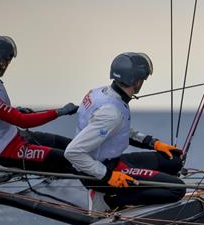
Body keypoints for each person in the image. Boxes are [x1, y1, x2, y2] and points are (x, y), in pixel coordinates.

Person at [64, 52, 186, 210]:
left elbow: (117, 129)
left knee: (174, 160)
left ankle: (135, 190)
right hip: (101, 173)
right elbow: (72, 152)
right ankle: (109, 200)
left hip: (114, 161)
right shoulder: (111, 112)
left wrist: (153, 143)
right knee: (177, 189)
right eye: (143, 78)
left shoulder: (99, 93)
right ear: (135, 80)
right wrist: (108, 176)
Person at [0, 35, 79, 173]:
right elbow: (22, 121)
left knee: (74, 147)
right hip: (8, 150)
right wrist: (60, 112)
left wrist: (14, 110)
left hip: (17, 136)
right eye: (7, 61)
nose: (7, 65)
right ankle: (97, 190)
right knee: (71, 160)